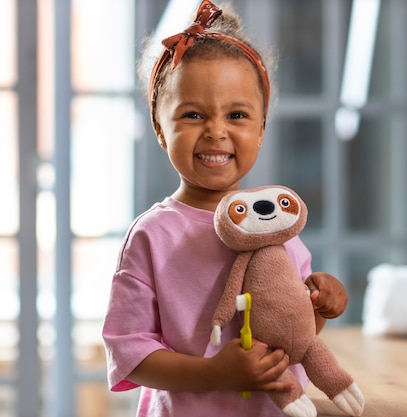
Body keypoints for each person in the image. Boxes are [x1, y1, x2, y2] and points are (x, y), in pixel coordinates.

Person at [101, 1, 349, 416]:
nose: (216, 130)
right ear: (161, 129)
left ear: (262, 128)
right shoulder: (152, 235)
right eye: (193, 114)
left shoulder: (277, 223)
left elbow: (293, 333)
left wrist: (319, 304)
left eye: (237, 114)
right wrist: (217, 372)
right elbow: (130, 352)